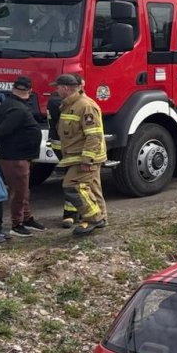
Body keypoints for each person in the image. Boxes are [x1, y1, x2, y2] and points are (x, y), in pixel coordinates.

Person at [53, 74, 107, 236]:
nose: (56, 90)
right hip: (77, 155)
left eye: (58, 87)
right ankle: (101, 218)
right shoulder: (71, 105)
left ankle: (94, 219)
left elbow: (93, 135)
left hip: (83, 157)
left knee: (72, 186)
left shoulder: (85, 106)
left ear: (66, 88)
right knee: (93, 188)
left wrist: (87, 159)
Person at [0, 76, 46, 236]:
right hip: (14, 156)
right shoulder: (17, 109)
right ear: (30, 91)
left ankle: (26, 218)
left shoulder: (12, 104)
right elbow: (2, 131)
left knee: (24, 189)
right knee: (19, 191)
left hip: (20, 155)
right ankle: (17, 224)